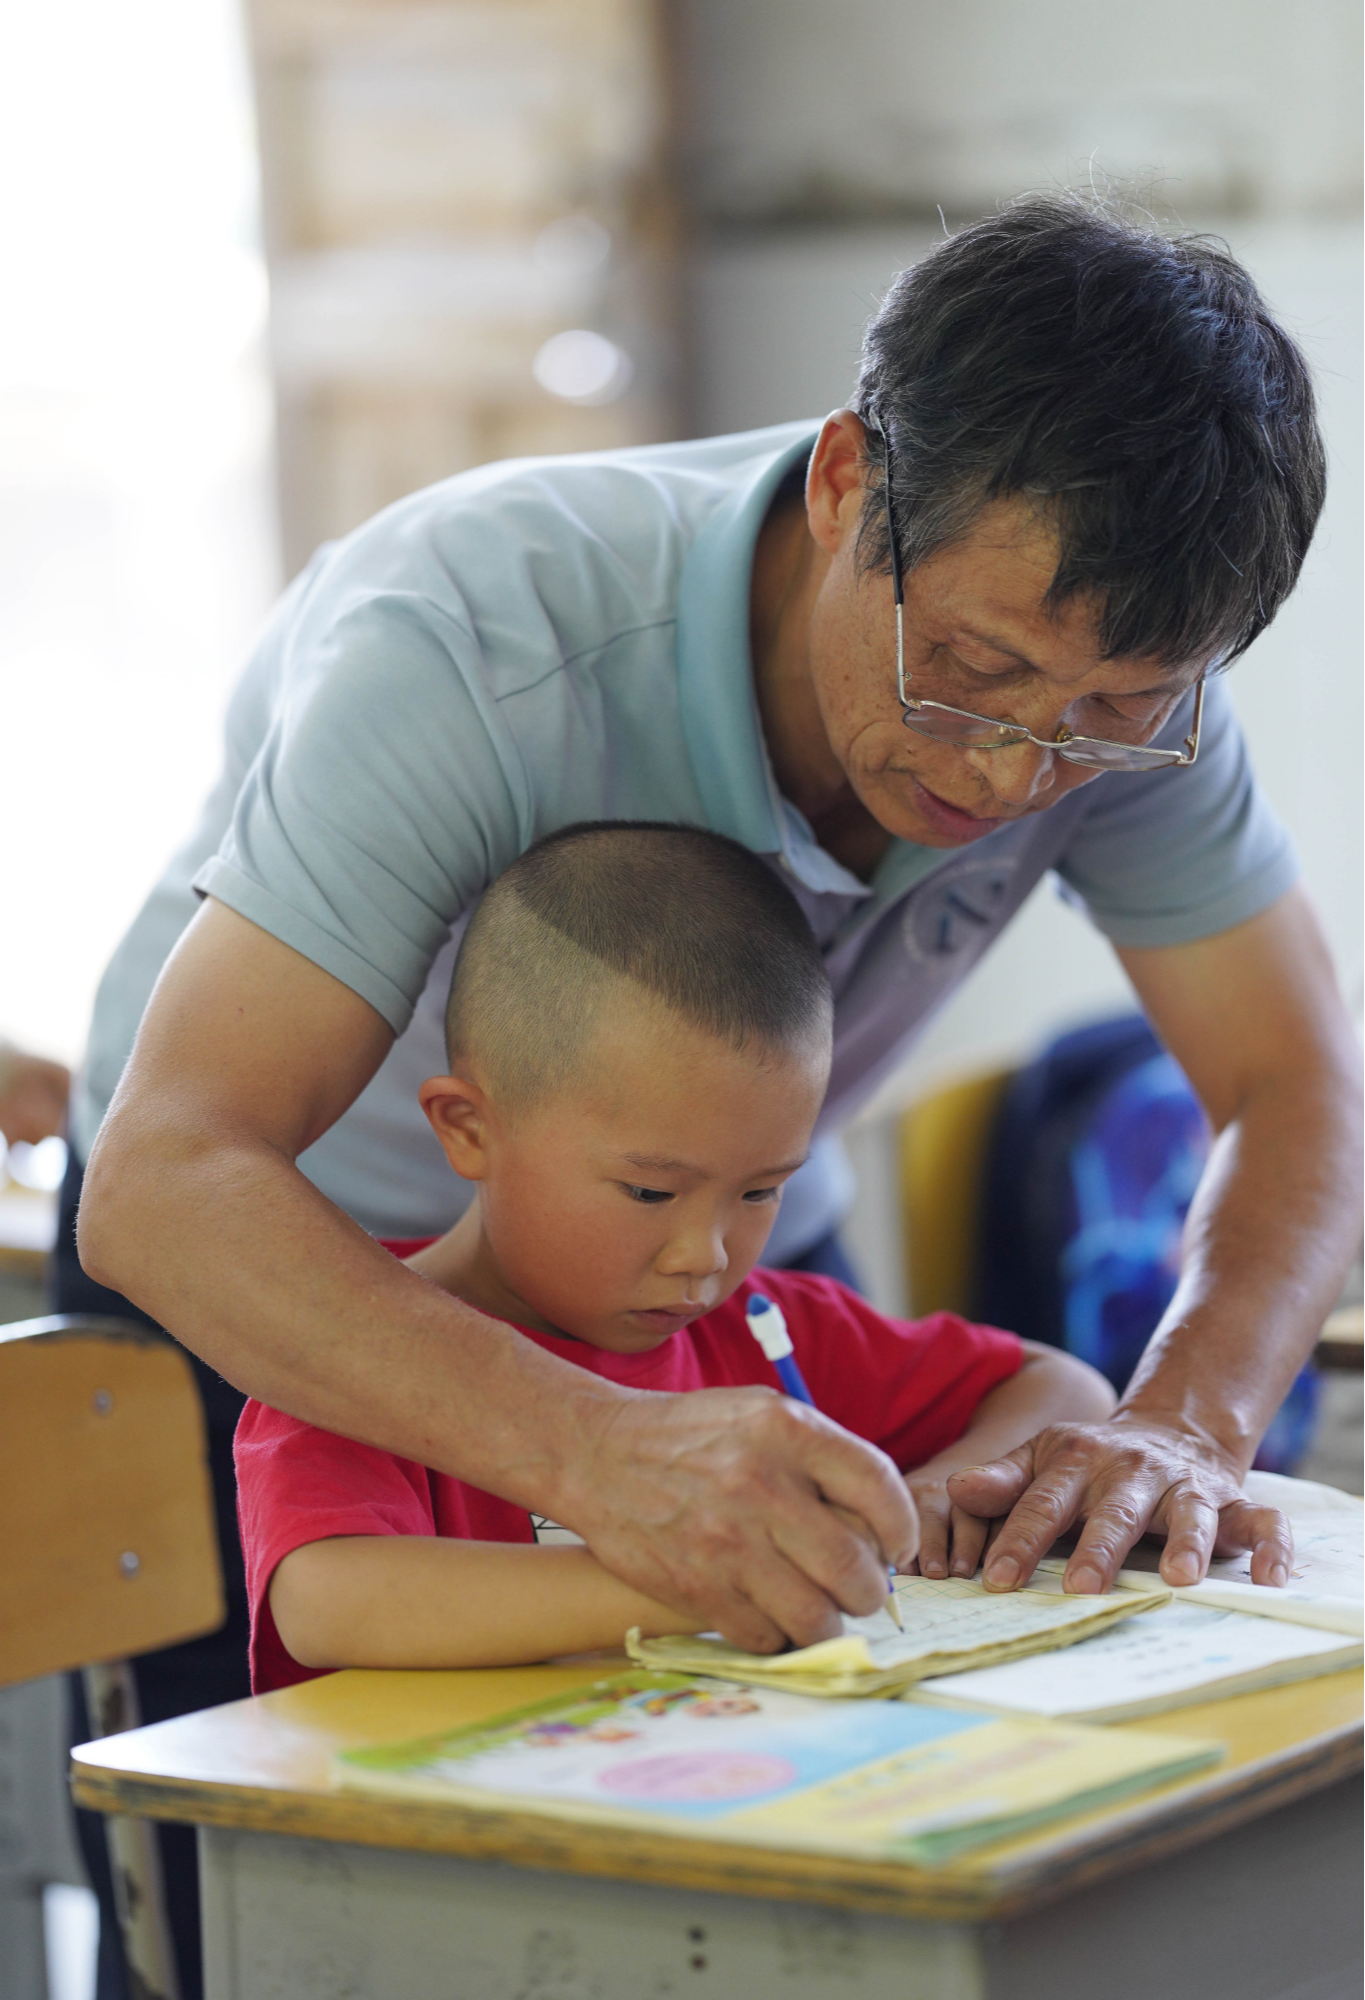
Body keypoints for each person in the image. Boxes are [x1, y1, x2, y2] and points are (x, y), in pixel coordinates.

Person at [71, 192, 1362, 1653]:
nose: (1012, 771)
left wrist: (1186, 1421)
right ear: (840, 484)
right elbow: (169, 1181)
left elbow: (1292, 1081)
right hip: (291, 1266)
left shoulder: (1131, 708)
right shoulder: (476, 639)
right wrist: (603, 1456)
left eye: (1107, 715)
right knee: (298, 1827)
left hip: (732, 1279)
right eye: (961, 668)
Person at [238, 824, 1115, 1692]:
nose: (706, 1256)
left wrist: (935, 1493)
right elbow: (325, 1602)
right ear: (470, 1130)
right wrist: (696, 1575)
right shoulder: (354, 1347)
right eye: (650, 1194)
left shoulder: (768, 1329)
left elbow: (1063, 1388)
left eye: (761, 1190)